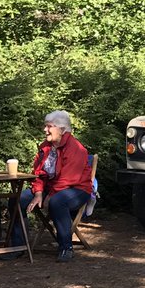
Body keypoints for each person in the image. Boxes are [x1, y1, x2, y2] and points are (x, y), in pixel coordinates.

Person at [11, 110, 92, 263]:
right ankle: (18, 246)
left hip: (78, 189)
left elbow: (69, 178)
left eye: (49, 126)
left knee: (57, 201)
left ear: (62, 129)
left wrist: (50, 195)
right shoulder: (46, 147)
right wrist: (39, 192)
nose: (45, 130)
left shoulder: (75, 148)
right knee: (18, 199)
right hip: (51, 188)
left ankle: (66, 247)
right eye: (45, 126)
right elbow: (38, 173)